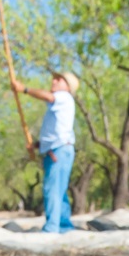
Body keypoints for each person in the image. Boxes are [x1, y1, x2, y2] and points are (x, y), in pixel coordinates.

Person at [11, 71, 81, 234]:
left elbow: (49, 97)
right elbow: (54, 132)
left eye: (59, 79)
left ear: (67, 87)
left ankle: (52, 228)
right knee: (59, 189)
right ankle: (64, 226)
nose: (54, 81)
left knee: (52, 189)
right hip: (63, 148)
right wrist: (36, 145)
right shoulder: (63, 104)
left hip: (58, 150)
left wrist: (24, 89)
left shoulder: (63, 97)